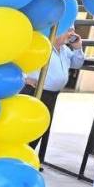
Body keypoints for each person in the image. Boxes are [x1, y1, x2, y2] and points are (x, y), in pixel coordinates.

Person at [23, 28, 84, 158]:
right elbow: (19, 59)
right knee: (29, 125)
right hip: (35, 91)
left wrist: (78, 48)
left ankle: (28, 155)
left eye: (72, 31)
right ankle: (20, 155)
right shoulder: (41, 47)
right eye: (68, 30)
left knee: (41, 126)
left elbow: (77, 64)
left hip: (51, 95)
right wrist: (24, 78)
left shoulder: (65, 50)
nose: (71, 34)